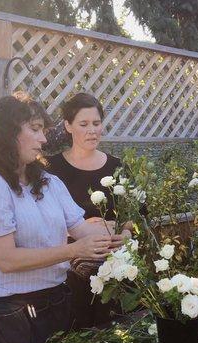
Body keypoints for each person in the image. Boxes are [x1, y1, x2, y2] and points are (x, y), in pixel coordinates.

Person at [0, 96, 126, 343]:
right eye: (35, 129)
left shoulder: (49, 182)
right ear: (8, 132)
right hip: (9, 312)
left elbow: (81, 228)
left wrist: (119, 238)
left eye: (43, 131)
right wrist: (73, 250)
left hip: (55, 302)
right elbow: (7, 260)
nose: (44, 140)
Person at [46, 93, 128, 329]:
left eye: (96, 123)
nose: (92, 130)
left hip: (113, 269)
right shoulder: (50, 169)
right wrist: (81, 231)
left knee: (114, 335)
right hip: (67, 274)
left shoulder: (117, 166)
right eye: (83, 124)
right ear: (68, 126)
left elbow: (133, 216)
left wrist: (125, 235)